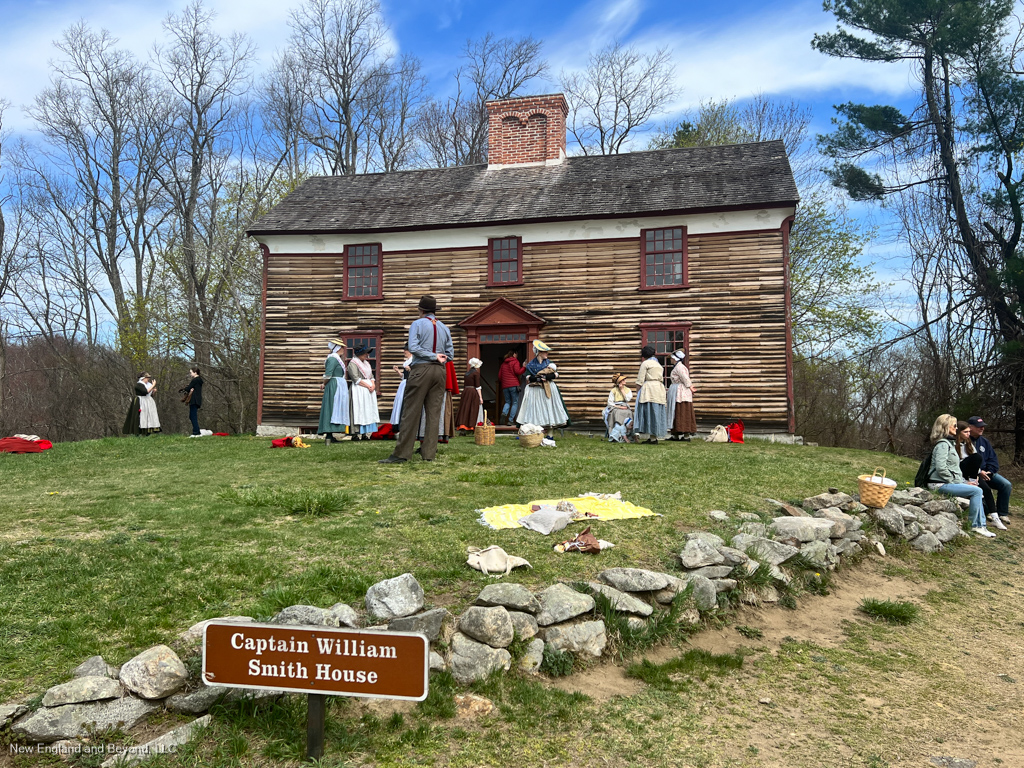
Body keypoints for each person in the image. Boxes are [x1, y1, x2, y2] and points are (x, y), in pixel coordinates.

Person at [380, 295, 454, 464]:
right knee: (434, 413)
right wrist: (438, 357)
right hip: (440, 371)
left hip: (421, 369)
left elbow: (413, 347)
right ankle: (429, 453)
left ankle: (402, 454)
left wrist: (432, 356)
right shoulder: (444, 328)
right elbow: (450, 355)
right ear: (434, 310)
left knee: (411, 411)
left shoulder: (417, 324)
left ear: (421, 310)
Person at [927, 413, 991, 537]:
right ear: (946, 427)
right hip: (938, 484)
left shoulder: (949, 444)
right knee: (976, 491)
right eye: (954, 426)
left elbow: (954, 469)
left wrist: (964, 482)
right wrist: (957, 482)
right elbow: (941, 468)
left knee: (977, 490)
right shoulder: (943, 445)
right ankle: (975, 525)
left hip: (946, 482)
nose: (956, 429)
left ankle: (982, 525)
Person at [515, 340, 569, 436]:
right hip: (535, 390)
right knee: (535, 410)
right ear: (539, 353)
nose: (547, 353)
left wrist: (547, 377)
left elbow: (556, 374)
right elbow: (527, 377)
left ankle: (550, 435)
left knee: (549, 409)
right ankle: (537, 434)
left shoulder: (549, 363)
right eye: (544, 352)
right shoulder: (531, 365)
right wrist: (536, 378)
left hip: (548, 389)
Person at [968, 416, 1012, 528]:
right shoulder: (965, 441)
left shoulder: (984, 442)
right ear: (970, 427)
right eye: (979, 426)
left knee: (1006, 485)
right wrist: (979, 472)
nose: (982, 428)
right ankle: (987, 511)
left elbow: (993, 460)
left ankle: (1002, 513)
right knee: (984, 490)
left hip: (988, 473)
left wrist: (990, 472)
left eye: (983, 426)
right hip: (973, 474)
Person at [955, 420, 999, 526]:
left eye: (969, 432)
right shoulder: (953, 445)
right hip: (960, 472)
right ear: (959, 432)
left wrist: (979, 473)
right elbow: (954, 465)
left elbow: (979, 460)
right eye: (966, 432)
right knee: (977, 490)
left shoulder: (969, 443)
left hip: (975, 472)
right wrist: (964, 481)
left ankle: (995, 516)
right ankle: (977, 520)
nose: (968, 434)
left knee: (989, 489)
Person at [318, 339, 350, 445]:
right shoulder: (332, 359)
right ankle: (329, 433)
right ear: (336, 348)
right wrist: (324, 383)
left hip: (338, 384)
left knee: (335, 407)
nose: (343, 349)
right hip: (334, 385)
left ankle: (331, 434)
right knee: (331, 407)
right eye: (341, 347)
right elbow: (328, 374)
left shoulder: (336, 359)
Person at [634, 345, 667, 444]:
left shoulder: (646, 363)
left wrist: (637, 390)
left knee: (649, 411)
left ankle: (652, 437)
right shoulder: (658, 364)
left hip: (649, 388)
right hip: (659, 388)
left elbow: (640, 379)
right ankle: (653, 436)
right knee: (656, 412)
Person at [347, 346, 380, 440]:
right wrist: (367, 386)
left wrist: (373, 385)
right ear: (359, 354)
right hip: (359, 390)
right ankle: (355, 433)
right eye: (365, 353)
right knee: (359, 410)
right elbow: (355, 378)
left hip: (368, 391)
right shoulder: (353, 364)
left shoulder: (366, 364)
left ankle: (365, 433)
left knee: (367, 410)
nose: (367, 355)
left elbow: (371, 376)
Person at [666, 349, 696, 441]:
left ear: (675, 359)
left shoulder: (680, 367)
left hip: (681, 391)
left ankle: (685, 435)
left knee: (682, 410)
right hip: (676, 389)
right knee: (675, 411)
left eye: (671, 358)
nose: (670, 360)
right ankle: (675, 433)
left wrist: (690, 387)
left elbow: (685, 378)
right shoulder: (677, 367)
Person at [456, 358, 484, 433]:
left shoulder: (467, 373)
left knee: (465, 408)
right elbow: (478, 386)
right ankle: (471, 426)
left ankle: (463, 427)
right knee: (472, 408)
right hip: (472, 392)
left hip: (466, 392)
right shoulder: (476, 373)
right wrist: (480, 397)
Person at [603, 373, 634, 442]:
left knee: (629, 412)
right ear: (620, 382)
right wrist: (618, 407)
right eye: (623, 380)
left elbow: (628, 399)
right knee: (617, 412)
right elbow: (610, 402)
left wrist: (622, 390)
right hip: (616, 406)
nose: (625, 380)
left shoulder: (627, 390)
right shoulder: (613, 390)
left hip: (624, 405)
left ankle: (630, 434)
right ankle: (617, 434)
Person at [498, 349, 525, 425]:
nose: (517, 355)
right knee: (515, 402)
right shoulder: (515, 361)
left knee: (507, 402)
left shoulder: (503, 364)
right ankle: (510, 420)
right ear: (513, 354)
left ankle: (504, 413)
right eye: (516, 354)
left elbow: (499, 376)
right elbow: (518, 372)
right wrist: (524, 367)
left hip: (505, 386)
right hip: (514, 385)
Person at [390, 344, 412, 432]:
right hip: (404, 384)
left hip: (410, 384)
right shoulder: (406, 362)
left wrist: (411, 370)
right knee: (400, 403)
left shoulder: (413, 361)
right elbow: (404, 376)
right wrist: (398, 371)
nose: (404, 352)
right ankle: (398, 424)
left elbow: (417, 374)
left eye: (406, 350)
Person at [181, 367, 204, 437]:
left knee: (192, 416)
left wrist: (183, 389)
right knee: (192, 416)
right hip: (197, 400)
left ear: (195, 372)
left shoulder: (195, 380)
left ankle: (196, 432)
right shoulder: (199, 380)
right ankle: (196, 431)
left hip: (194, 400)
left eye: (191, 372)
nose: (190, 374)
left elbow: (188, 388)